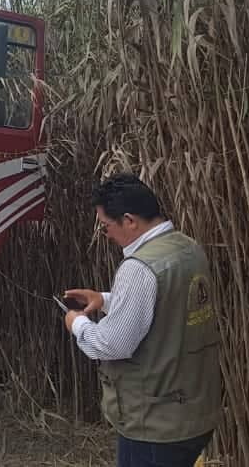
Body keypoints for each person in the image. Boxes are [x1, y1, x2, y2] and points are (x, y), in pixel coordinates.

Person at [63, 173, 221, 467]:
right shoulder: (188, 249)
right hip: (195, 412)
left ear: (129, 220)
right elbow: (166, 307)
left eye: (107, 226)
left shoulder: (139, 268)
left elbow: (112, 345)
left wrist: (77, 324)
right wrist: (105, 299)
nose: (106, 234)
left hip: (155, 424)